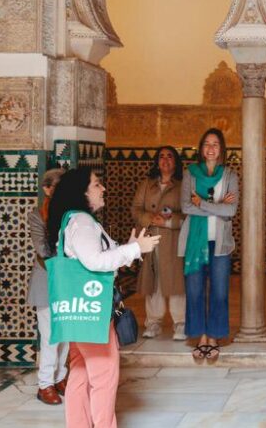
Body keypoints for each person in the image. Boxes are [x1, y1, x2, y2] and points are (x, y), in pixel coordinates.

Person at [45, 167, 159, 428]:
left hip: (78, 310)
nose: (103, 189)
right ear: (82, 192)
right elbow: (95, 261)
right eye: (97, 185)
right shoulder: (82, 222)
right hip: (92, 313)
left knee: (81, 373)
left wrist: (128, 248)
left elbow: (95, 256)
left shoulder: (72, 220)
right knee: (104, 376)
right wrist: (134, 249)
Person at [179, 128, 239, 362]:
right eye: (206, 144)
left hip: (221, 243)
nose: (211, 148)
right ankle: (201, 337)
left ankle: (214, 337)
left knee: (219, 291)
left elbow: (230, 211)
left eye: (215, 144)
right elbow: (185, 207)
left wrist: (202, 203)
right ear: (201, 148)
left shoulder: (230, 175)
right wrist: (217, 204)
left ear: (222, 149)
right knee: (194, 291)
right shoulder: (190, 174)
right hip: (195, 242)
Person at [131, 146, 187, 341]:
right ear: (156, 161)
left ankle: (180, 323)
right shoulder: (147, 185)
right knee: (154, 282)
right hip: (151, 239)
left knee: (176, 282)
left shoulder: (183, 185)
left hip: (173, 241)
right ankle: (153, 322)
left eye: (169, 156)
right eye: (161, 156)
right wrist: (150, 218)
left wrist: (168, 222)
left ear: (176, 161)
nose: (165, 160)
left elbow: (189, 215)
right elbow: (136, 209)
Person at [27, 168, 68, 405]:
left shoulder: (71, 213)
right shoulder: (37, 215)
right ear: (47, 188)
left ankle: (60, 377)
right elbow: (42, 249)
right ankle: (45, 384)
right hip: (47, 280)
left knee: (66, 334)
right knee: (51, 335)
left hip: (67, 280)